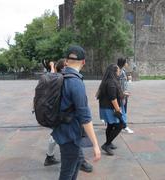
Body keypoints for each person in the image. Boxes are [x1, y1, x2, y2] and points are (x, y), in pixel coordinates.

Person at [52, 45, 101, 180]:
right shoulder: (75, 82)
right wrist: (96, 144)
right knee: (67, 173)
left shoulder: (59, 76)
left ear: (66, 61)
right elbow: (85, 117)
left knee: (75, 164)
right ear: (83, 62)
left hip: (61, 130)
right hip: (70, 135)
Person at [44, 59, 94, 173]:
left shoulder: (57, 79)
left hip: (57, 119)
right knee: (68, 169)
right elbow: (85, 115)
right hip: (65, 123)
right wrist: (95, 144)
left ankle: (51, 156)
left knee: (60, 141)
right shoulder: (67, 81)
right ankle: (79, 161)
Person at [96, 64, 125, 156]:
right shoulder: (111, 82)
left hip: (106, 107)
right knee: (120, 125)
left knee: (110, 125)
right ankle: (107, 144)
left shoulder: (108, 81)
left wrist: (124, 94)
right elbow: (113, 98)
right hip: (110, 108)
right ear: (114, 72)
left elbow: (113, 94)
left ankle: (109, 142)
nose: (119, 72)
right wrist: (118, 110)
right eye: (118, 70)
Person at [117, 58, 134, 134]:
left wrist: (127, 79)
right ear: (124, 63)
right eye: (126, 62)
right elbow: (119, 84)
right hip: (122, 95)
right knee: (122, 111)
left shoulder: (121, 71)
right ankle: (124, 126)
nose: (127, 64)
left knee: (122, 110)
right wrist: (123, 94)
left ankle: (119, 125)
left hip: (123, 94)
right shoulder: (120, 71)